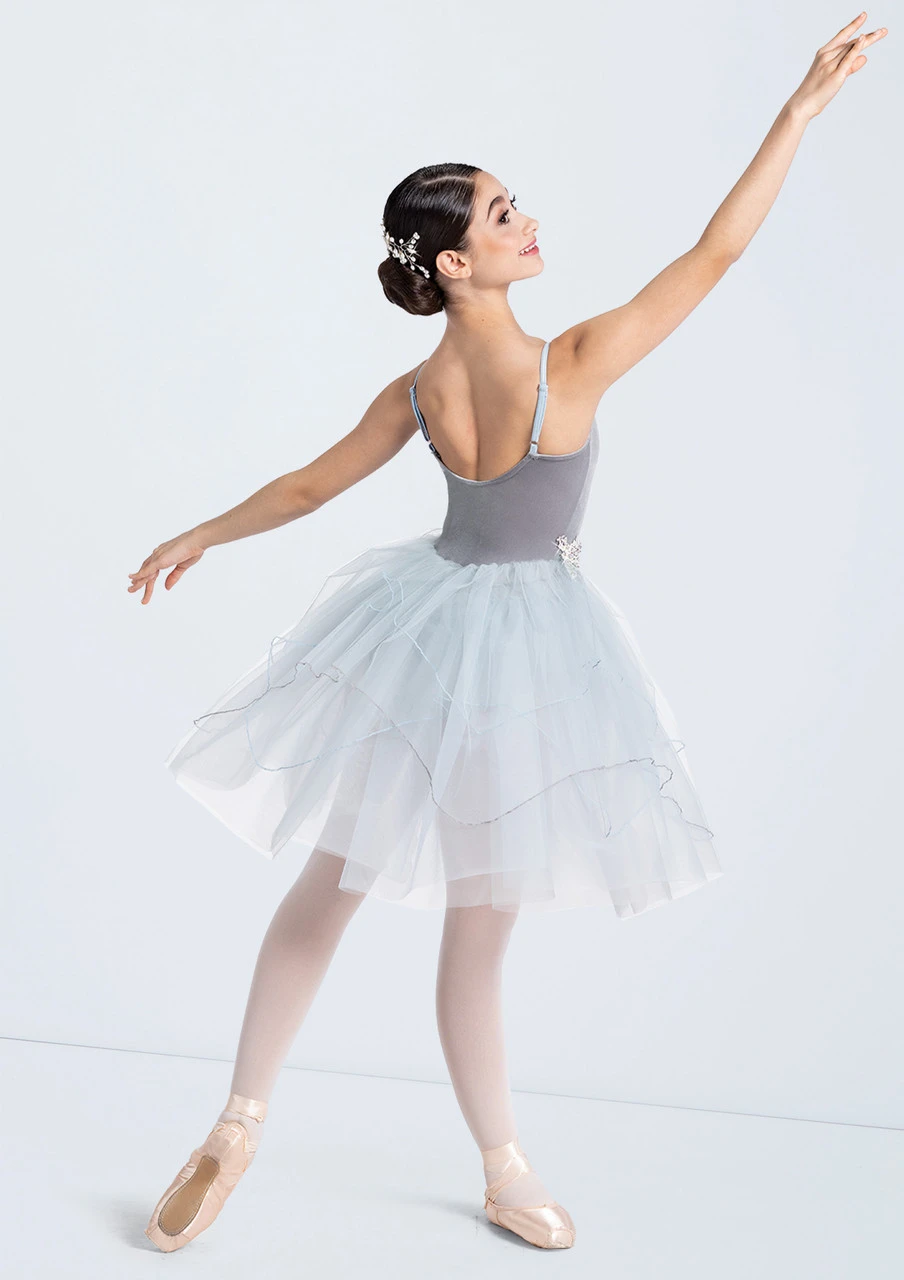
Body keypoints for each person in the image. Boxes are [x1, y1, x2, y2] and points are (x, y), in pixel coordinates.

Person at [130, 14, 886, 1253]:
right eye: (499, 216)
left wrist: (198, 533)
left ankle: (239, 1116)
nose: (526, 221)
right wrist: (797, 113)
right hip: (527, 655)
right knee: (476, 933)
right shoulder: (571, 363)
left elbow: (312, 487)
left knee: (330, 881)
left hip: (419, 635)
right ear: (455, 264)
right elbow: (716, 250)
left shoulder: (417, 391)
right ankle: (504, 1167)